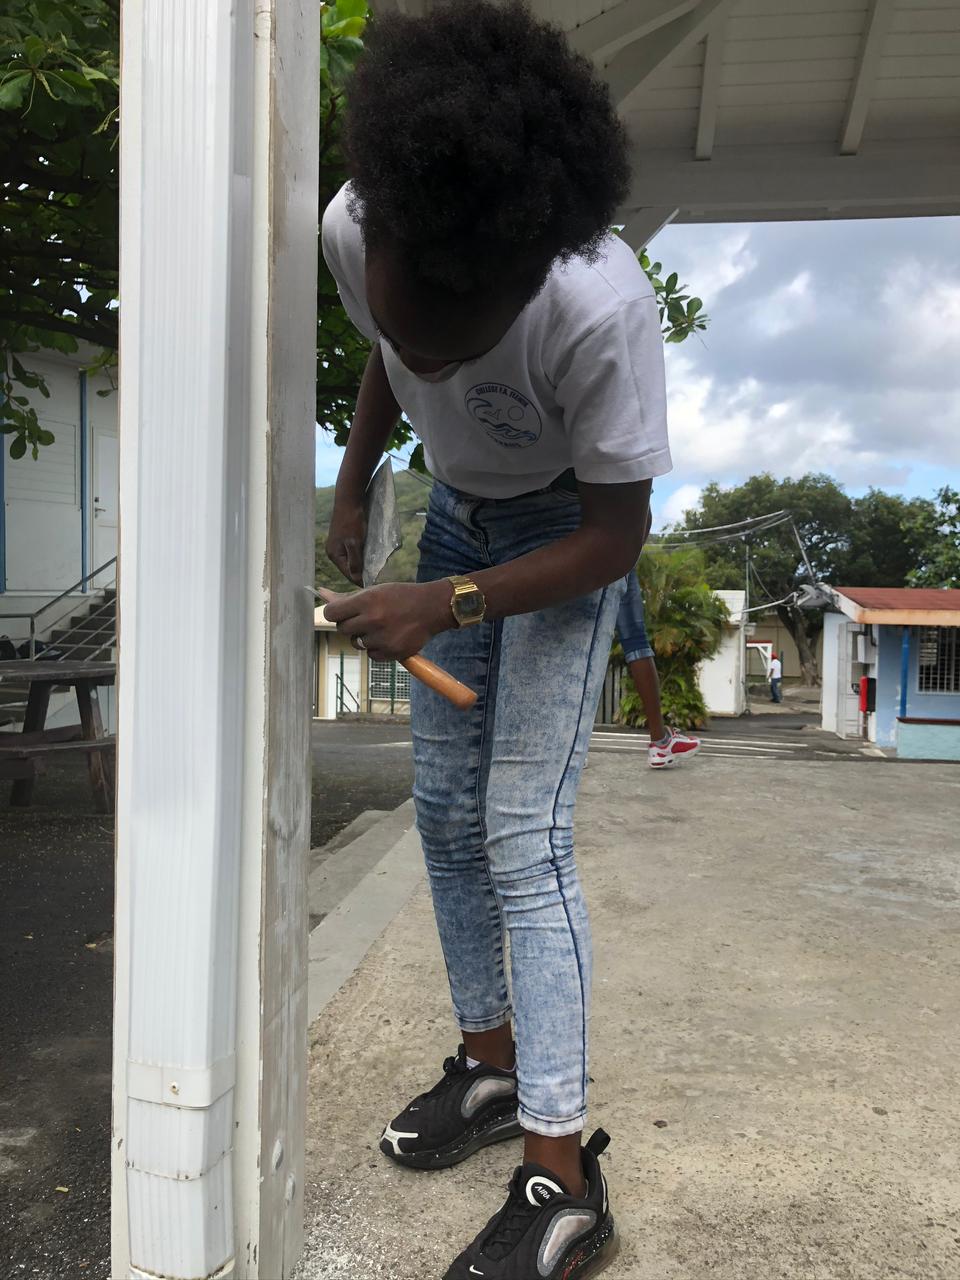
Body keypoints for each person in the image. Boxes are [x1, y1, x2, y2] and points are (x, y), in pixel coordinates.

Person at [320, 6, 671, 1276]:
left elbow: (616, 536)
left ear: (524, 278)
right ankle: (489, 1062)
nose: (423, 360)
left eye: (451, 344)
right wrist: (356, 476)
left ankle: (564, 1177)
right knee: (442, 810)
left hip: (563, 533)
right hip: (459, 513)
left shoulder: (601, 310)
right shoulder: (358, 222)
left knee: (525, 835)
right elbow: (387, 349)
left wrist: (446, 603)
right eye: (406, 327)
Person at [617, 569, 701, 767]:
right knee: (635, 640)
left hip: (557, 555)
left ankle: (569, 747)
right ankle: (660, 742)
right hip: (611, 558)